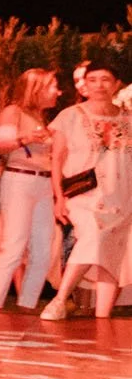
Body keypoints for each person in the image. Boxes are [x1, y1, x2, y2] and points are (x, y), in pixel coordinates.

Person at [42, 55, 132, 320]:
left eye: (105, 80)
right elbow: (56, 159)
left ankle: (102, 318)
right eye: (92, 80)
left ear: (116, 84)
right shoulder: (69, 116)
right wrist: (58, 198)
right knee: (92, 236)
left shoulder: (128, 119)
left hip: (123, 194)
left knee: (114, 252)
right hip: (84, 195)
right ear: (84, 85)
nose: (99, 85)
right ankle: (59, 300)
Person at [0, 68, 63, 311]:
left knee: (42, 247)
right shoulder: (14, 112)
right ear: (35, 88)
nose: (57, 92)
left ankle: (27, 304)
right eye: (52, 86)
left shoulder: (42, 117)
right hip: (19, 179)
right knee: (15, 243)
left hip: (43, 181)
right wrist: (24, 138)